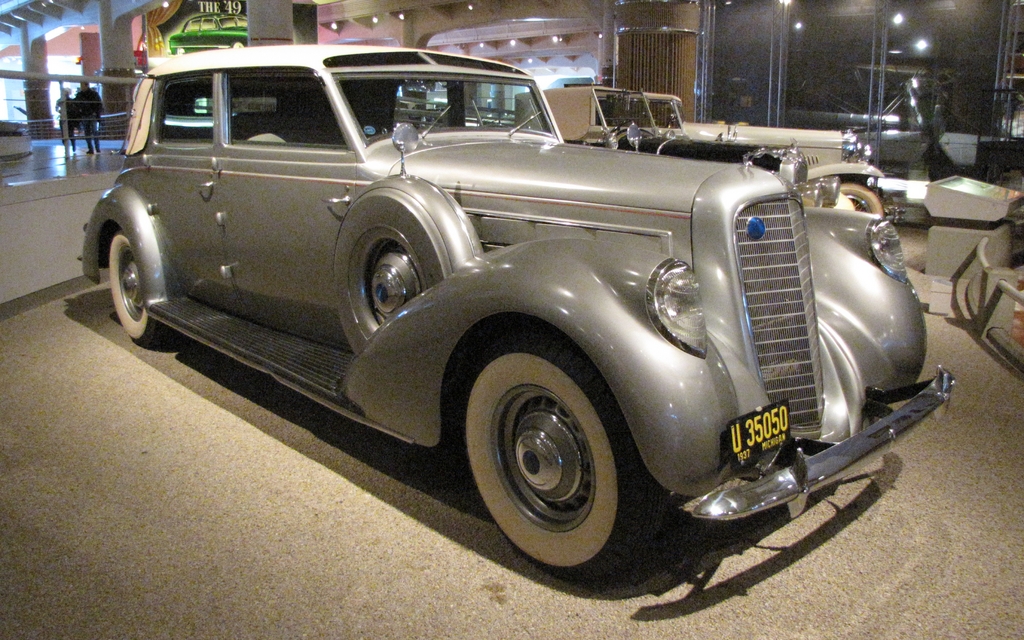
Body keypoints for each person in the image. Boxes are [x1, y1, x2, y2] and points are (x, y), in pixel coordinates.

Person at [74, 84, 102, 154]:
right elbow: (99, 104)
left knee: (88, 132)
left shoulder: (80, 95)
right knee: (93, 132)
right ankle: (96, 148)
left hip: (86, 115)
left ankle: (92, 148)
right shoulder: (94, 94)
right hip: (91, 115)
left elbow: (76, 104)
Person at [56, 87, 76, 153]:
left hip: (69, 119)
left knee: (70, 134)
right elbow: (56, 109)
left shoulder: (70, 101)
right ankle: (67, 148)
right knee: (64, 134)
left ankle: (72, 146)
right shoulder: (59, 101)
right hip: (64, 119)